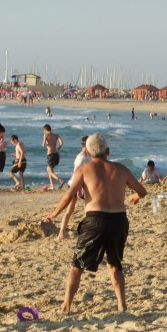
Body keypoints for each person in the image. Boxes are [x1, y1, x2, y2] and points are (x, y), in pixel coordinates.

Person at [45, 133, 147, 313]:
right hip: (118, 220)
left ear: (89, 153)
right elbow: (142, 191)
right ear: (107, 151)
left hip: (95, 220)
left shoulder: (84, 170)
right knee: (115, 264)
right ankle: (122, 305)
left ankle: (67, 306)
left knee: (77, 265)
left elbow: (69, 196)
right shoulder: (121, 169)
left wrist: (54, 213)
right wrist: (135, 197)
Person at [58, 135, 91, 239]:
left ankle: (88, 229)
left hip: (82, 185)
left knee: (89, 207)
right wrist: (78, 189)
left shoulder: (88, 156)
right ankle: (61, 232)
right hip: (74, 185)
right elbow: (76, 173)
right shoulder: (81, 157)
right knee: (70, 210)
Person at [42, 124, 65, 190]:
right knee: (50, 170)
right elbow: (61, 143)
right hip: (56, 155)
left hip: (50, 155)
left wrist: (45, 140)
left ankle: (61, 180)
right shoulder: (56, 135)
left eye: (44, 130)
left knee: (48, 170)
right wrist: (59, 147)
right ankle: (52, 186)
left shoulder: (46, 135)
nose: (43, 131)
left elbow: (43, 145)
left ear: (46, 130)